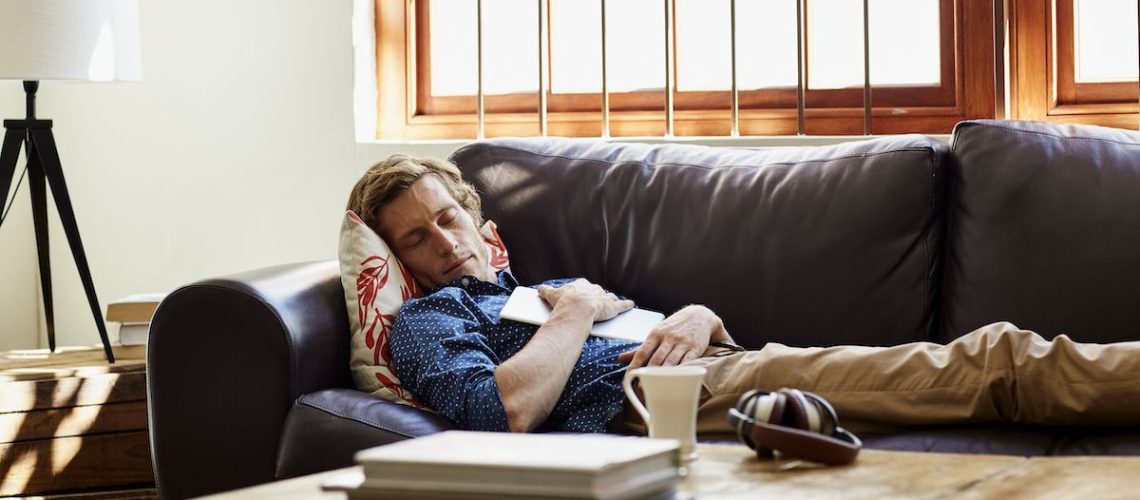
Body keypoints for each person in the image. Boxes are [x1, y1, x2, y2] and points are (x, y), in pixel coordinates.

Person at [346, 154, 1140, 436]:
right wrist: (581, 311)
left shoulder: (547, 289)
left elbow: (668, 326)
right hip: (678, 399)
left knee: (984, 365)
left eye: (447, 218)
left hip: (731, 363)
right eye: (415, 237)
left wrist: (701, 314)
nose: (443, 243)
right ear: (399, 258)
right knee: (993, 363)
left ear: (475, 217)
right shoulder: (432, 317)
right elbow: (502, 412)